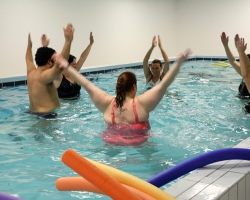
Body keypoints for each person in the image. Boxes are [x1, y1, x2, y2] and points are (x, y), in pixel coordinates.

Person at [52, 48, 192, 145]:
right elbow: (164, 85)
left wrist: (66, 66)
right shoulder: (141, 104)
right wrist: (178, 63)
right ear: (134, 87)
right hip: (140, 147)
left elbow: (87, 84)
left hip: (111, 144)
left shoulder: (107, 104)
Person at [25, 23, 74, 118]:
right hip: (47, 116)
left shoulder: (31, 73)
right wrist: (68, 41)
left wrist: (29, 46)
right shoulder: (44, 76)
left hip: (32, 113)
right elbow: (60, 65)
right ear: (49, 62)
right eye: (54, 60)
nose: (55, 62)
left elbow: (28, 59)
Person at [55, 32, 94, 99]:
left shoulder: (74, 73)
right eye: (73, 65)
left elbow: (83, 57)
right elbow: (60, 61)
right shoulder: (59, 77)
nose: (76, 66)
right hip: (63, 107)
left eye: (75, 64)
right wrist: (67, 41)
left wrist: (90, 44)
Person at [221, 32, 250, 99]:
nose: (241, 63)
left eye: (243, 61)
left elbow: (249, 65)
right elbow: (233, 61)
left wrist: (241, 51)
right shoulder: (244, 74)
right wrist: (226, 46)